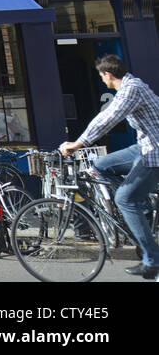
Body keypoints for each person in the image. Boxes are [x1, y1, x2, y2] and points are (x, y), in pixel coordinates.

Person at [59, 54, 159, 279]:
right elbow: (103, 116)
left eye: (101, 76)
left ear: (108, 74)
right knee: (100, 165)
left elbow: (109, 119)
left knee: (124, 199)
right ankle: (142, 208)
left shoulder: (132, 89)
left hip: (155, 151)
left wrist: (77, 144)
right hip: (144, 146)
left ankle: (152, 259)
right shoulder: (128, 88)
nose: (102, 80)